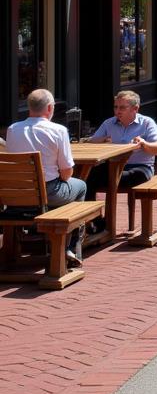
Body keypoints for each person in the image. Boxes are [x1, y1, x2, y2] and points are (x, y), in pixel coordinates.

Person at [5, 88, 88, 266]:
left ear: (29, 107)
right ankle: (69, 247)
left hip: (14, 196)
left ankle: (24, 242)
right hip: (48, 193)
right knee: (80, 186)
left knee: (59, 190)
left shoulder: (12, 129)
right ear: (50, 108)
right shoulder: (58, 130)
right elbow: (66, 173)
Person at [85, 90, 157, 235]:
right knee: (87, 177)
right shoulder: (109, 123)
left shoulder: (147, 123)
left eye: (122, 107)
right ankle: (96, 221)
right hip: (113, 167)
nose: (117, 111)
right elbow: (92, 141)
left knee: (123, 176)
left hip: (140, 168)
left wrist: (144, 144)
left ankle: (109, 226)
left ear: (135, 109)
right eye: (116, 107)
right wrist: (103, 139)